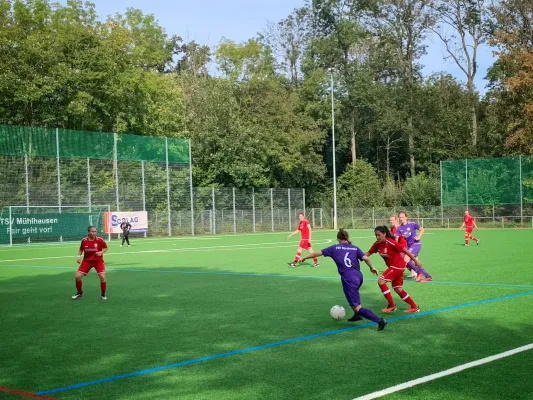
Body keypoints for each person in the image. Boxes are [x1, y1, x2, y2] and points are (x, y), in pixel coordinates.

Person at [300, 229, 387, 330]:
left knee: (357, 307)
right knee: (352, 297)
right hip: (358, 276)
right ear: (348, 238)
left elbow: (315, 253)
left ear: (338, 239)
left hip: (348, 278)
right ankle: (357, 315)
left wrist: (304, 257)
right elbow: (366, 258)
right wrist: (372, 267)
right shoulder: (354, 248)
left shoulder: (334, 248)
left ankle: (380, 321)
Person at [366, 226, 421, 313]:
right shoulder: (377, 244)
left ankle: (391, 305)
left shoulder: (390, 242)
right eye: (376, 235)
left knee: (381, 281)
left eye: (379, 235)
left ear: (384, 234)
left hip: (397, 266)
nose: (377, 237)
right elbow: (367, 254)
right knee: (398, 289)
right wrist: (357, 256)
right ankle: (414, 306)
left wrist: (415, 261)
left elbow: (405, 250)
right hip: (395, 267)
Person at [72, 225, 108, 300]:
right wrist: (79, 257)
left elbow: (106, 248)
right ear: (88, 232)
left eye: (95, 231)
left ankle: (103, 294)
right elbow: (81, 249)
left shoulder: (100, 240)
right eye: (92, 231)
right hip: (87, 261)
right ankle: (79, 293)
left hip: (98, 261)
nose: (94, 233)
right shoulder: (84, 240)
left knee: (102, 277)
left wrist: (101, 252)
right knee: (77, 277)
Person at [396, 212, 433, 282]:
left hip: (416, 244)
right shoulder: (399, 228)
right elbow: (396, 238)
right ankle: (428, 277)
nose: (401, 219)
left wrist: (419, 236)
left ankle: (419, 273)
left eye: (403, 217)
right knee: (415, 263)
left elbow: (422, 229)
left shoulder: (412, 224)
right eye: (400, 217)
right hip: (409, 247)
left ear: (406, 217)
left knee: (406, 259)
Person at [389, 215, 416, 279]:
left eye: (392, 220)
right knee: (403, 260)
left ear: (396, 220)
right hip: (397, 246)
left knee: (402, 260)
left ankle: (415, 271)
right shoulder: (392, 228)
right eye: (390, 220)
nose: (391, 221)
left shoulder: (399, 227)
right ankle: (413, 272)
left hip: (402, 246)